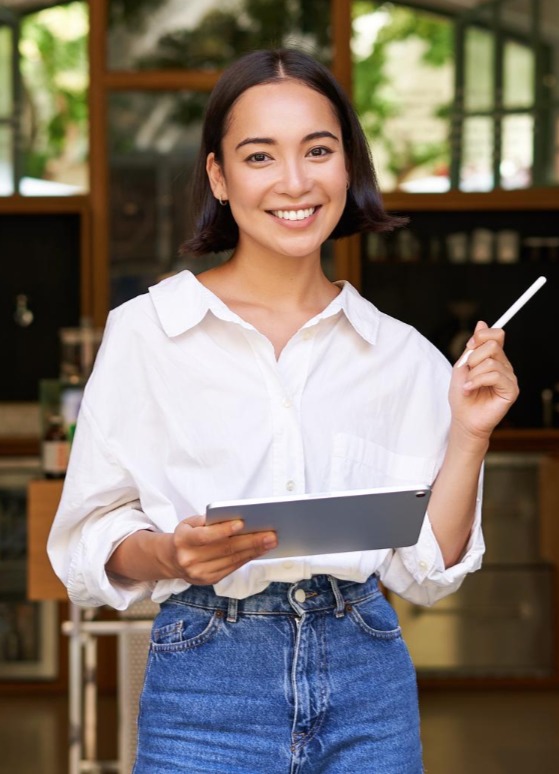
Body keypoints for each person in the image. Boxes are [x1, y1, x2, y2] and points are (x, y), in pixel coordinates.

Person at [48, 48, 519, 773]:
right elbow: (91, 537)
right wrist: (172, 552)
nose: (295, 182)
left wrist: (469, 435)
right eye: (259, 156)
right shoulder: (147, 332)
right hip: (204, 682)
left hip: (367, 677)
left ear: (347, 165)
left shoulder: (403, 355)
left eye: (318, 150)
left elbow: (426, 570)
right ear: (219, 175)